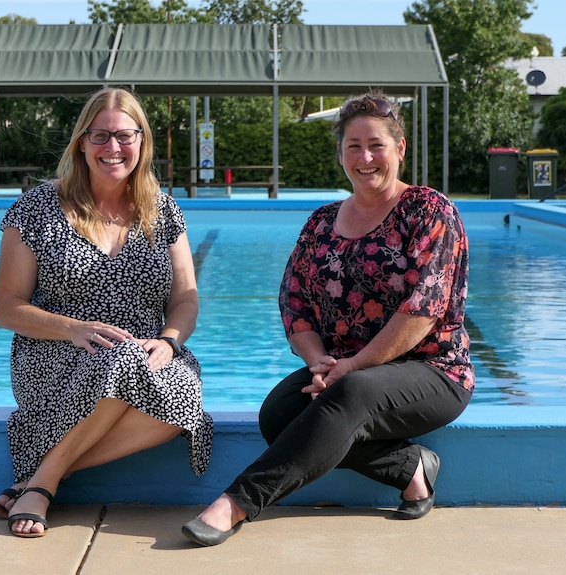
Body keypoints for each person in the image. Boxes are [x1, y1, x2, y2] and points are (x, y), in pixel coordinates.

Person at [182, 91, 474, 547]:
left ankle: (236, 503)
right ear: (340, 153)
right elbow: (293, 301)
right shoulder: (321, 221)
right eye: (353, 146)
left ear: (399, 149)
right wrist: (320, 362)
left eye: (376, 144)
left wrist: (351, 368)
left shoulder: (429, 211)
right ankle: (410, 468)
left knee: (352, 391)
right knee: (280, 413)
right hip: (342, 372)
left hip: (433, 371)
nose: (365, 157)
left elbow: (422, 310)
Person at [0, 87, 212, 538]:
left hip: (149, 352)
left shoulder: (163, 210)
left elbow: (186, 298)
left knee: (182, 404)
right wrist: (73, 328)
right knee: (124, 361)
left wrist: (169, 340)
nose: (113, 148)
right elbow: (6, 307)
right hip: (56, 354)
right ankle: (46, 485)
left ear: (142, 143)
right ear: (81, 143)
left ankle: (39, 475)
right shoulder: (37, 209)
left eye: (125, 136)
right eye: (101, 136)